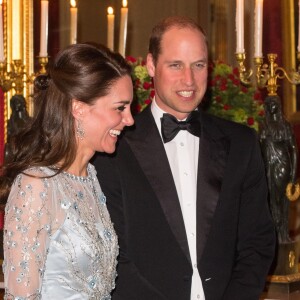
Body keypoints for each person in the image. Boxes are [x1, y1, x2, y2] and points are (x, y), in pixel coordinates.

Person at [93, 16, 275, 300]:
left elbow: (258, 241)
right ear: (151, 65)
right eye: (176, 65)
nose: (189, 80)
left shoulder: (242, 143)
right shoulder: (113, 148)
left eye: (198, 65)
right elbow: (113, 256)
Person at [0, 43, 134, 299]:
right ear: (79, 108)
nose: (129, 120)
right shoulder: (36, 184)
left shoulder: (91, 177)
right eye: (120, 108)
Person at [259, 95, 298, 243]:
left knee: (282, 200)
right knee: (269, 200)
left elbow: (293, 149)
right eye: (269, 104)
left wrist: (294, 175)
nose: (271, 106)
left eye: (274, 103)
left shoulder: (285, 125)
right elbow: (260, 148)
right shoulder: (263, 125)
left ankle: (283, 233)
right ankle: (272, 235)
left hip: (283, 165)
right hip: (268, 165)